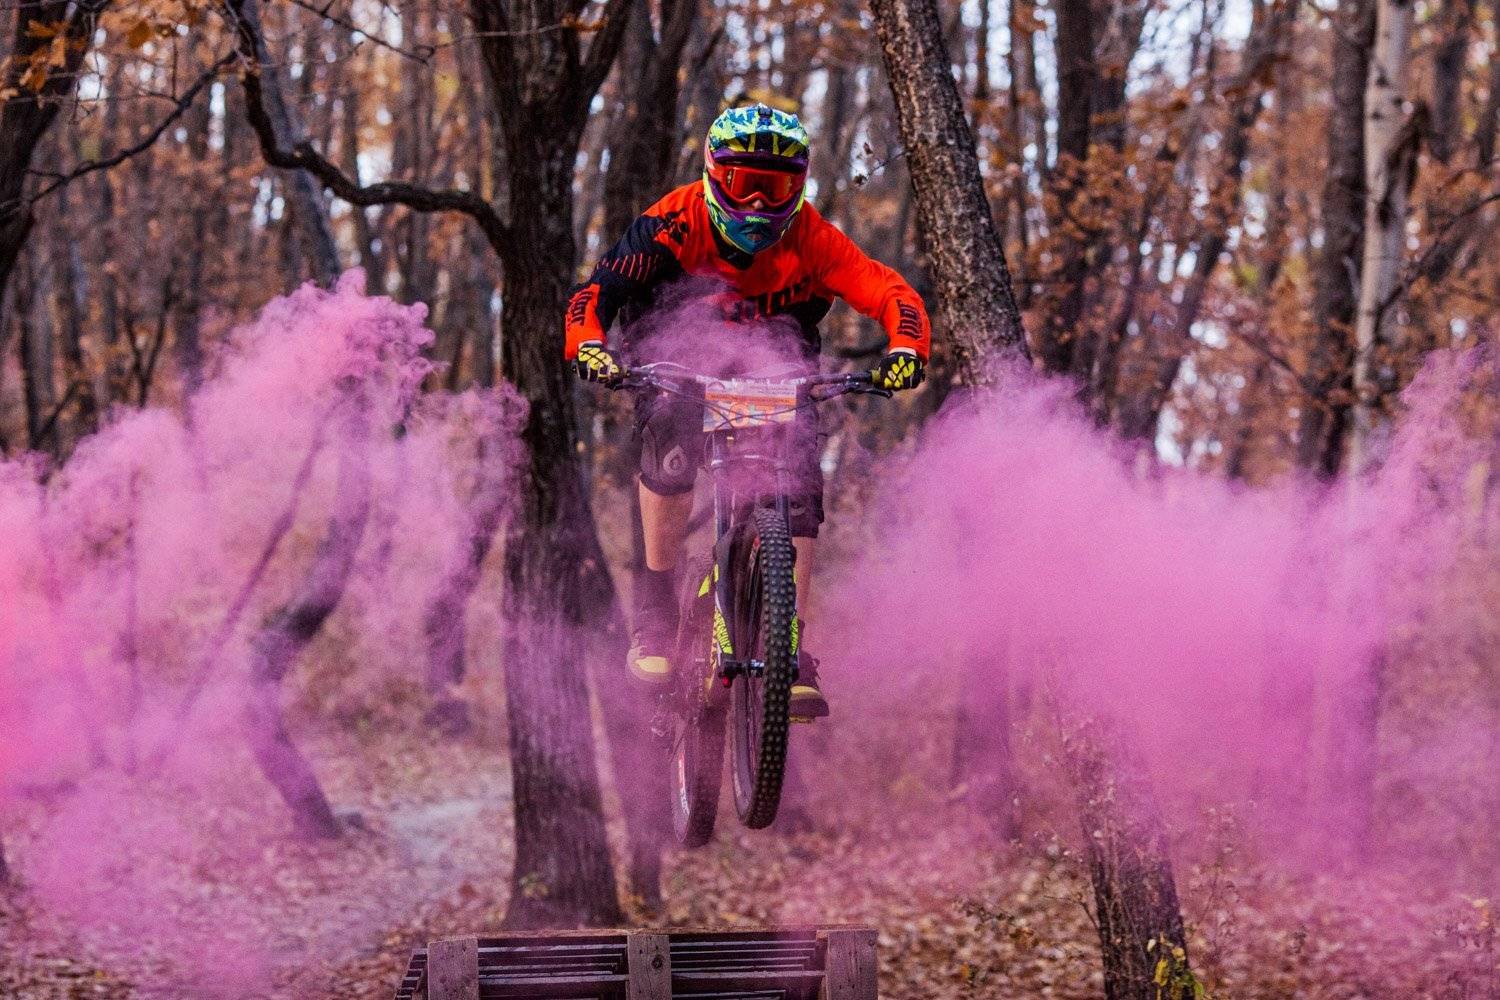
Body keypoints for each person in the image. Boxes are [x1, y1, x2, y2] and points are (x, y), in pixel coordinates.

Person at [565, 102, 930, 720]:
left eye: (777, 188)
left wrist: (907, 348)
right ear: (714, 176)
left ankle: (789, 646)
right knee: (671, 434)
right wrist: (589, 347)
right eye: (744, 183)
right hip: (673, 353)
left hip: (775, 360)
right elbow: (596, 293)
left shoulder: (813, 237)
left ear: (800, 187)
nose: (759, 203)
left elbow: (889, 292)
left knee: (800, 475)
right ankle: (655, 610)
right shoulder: (672, 221)